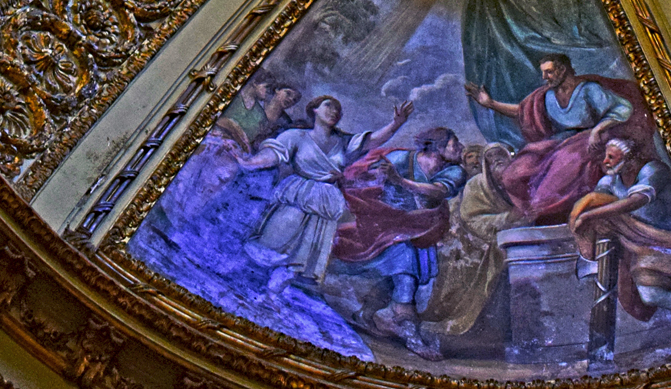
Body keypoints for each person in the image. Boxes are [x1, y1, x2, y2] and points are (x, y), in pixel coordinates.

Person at [222, 95, 415, 298]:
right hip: (300, 195)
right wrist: (249, 163)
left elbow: (373, 140)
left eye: (338, 110)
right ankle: (236, 280)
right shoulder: (296, 136)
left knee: (303, 255)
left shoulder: (342, 142)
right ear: (314, 109)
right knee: (275, 238)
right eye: (329, 106)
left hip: (326, 203)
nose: (334, 111)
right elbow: (273, 154)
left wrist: (396, 124)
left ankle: (272, 294)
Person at [569, 139, 671, 361]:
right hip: (643, 245)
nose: (605, 162)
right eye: (606, 156)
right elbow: (598, 201)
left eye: (612, 157)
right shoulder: (609, 180)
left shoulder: (654, 170)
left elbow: (636, 201)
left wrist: (591, 214)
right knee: (650, 294)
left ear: (631, 158)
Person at [466, 55, 651, 222]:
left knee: (554, 180)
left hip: (590, 141)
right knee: (514, 175)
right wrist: (490, 104)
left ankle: (548, 212)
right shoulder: (546, 96)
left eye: (549, 72)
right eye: (544, 73)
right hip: (559, 142)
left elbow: (622, 108)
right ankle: (532, 212)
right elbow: (522, 111)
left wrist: (597, 130)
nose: (544, 77)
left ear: (563, 69)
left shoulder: (589, 90)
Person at [337, 128, 468, 357]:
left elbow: (437, 192)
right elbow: (368, 179)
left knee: (402, 276)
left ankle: (365, 314)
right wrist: (377, 181)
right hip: (391, 226)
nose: (460, 148)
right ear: (437, 147)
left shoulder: (455, 171)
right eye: (454, 143)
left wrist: (400, 181)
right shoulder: (402, 158)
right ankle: (410, 334)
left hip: (424, 228)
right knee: (405, 274)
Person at [423, 143, 526, 339]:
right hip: (475, 238)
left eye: (501, 161)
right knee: (468, 262)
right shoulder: (476, 185)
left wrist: (520, 219)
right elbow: (470, 219)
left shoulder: (520, 184)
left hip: (512, 238)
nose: (498, 167)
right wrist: (507, 218)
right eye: (493, 163)